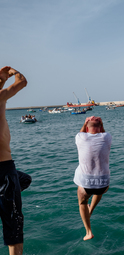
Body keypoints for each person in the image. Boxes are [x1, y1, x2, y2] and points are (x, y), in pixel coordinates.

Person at [0, 66, 31, 255]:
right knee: (14, 232)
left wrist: (1, 81)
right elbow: (22, 82)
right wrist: (12, 71)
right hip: (4, 172)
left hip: (7, 175)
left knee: (25, 179)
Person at [73, 116, 112, 241]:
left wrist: (85, 123)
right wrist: (101, 123)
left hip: (86, 185)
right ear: (100, 127)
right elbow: (102, 131)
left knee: (82, 201)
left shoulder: (80, 137)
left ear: (86, 127)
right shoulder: (107, 137)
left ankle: (88, 232)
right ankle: (91, 210)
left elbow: (82, 131)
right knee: (98, 188)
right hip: (104, 185)